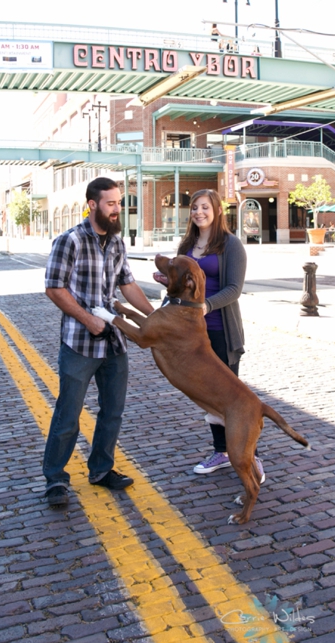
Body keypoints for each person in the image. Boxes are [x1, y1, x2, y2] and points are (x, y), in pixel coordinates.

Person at [42, 176, 155, 508]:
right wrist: (89, 320)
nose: (117, 209)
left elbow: (128, 285)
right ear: (92, 205)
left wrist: (157, 318)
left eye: (119, 202)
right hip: (79, 343)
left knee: (112, 413)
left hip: (114, 344)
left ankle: (101, 470)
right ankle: (55, 480)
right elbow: (54, 288)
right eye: (111, 203)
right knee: (68, 413)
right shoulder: (70, 241)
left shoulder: (118, 244)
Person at [154, 189, 264, 484]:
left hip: (220, 330)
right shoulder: (187, 244)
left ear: (216, 210)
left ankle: (250, 456)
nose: (198, 212)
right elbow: (180, 285)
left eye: (204, 207)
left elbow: (234, 288)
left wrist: (206, 306)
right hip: (189, 334)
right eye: (194, 207)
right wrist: (167, 282)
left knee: (231, 399)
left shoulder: (231, 245)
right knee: (208, 397)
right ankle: (221, 451)